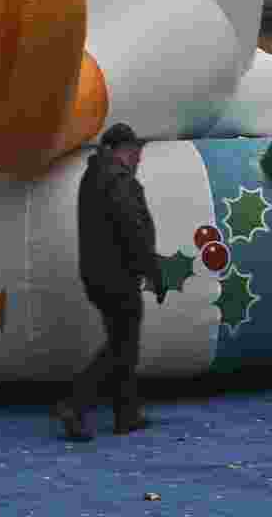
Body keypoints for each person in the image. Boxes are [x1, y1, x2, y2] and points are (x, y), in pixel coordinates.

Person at [54, 122, 166, 441]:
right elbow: (133, 229)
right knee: (121, 347)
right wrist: (154, 273)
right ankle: (74, 404)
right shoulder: (118, 180)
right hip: (117, 276)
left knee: (124, 344)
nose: (139, 159)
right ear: (123, 151)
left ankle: (125, 413)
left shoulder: (93, 176)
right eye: (136, 152)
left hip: (97, 275)